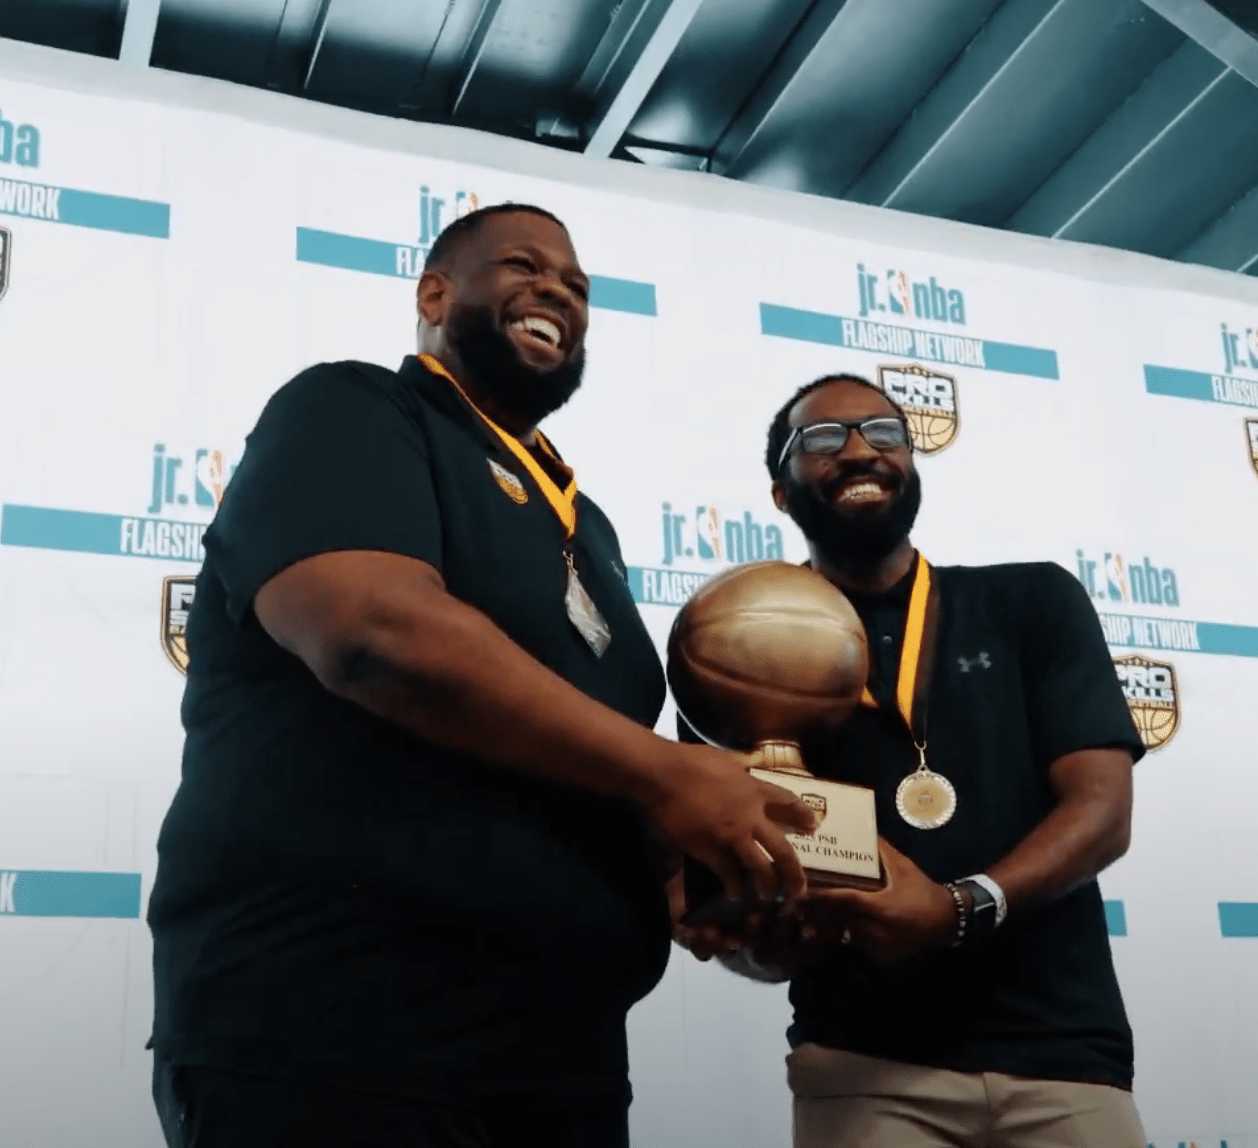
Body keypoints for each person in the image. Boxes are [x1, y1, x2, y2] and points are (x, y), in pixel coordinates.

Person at [145, 203, 817, 1148]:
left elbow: (583, 770)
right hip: (336, 1040)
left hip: (561, 1060)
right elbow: (373, 631)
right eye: (522, 265)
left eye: (578, 287)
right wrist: (669, 776)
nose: (557, 290)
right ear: (433, 295)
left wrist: (708, 883)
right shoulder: (352, 409)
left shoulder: (594, 533)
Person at [676, 372, 1147, 1147]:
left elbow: (1102, 814)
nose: (861, 449)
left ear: (912, 466)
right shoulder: (734, 642)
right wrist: (766, 948)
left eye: (885, 432)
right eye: (822, 439)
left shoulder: (1033, 602)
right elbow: (737, 903)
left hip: (1061, 1058)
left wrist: (958, 907)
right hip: (862, 1070)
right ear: (781, 494)